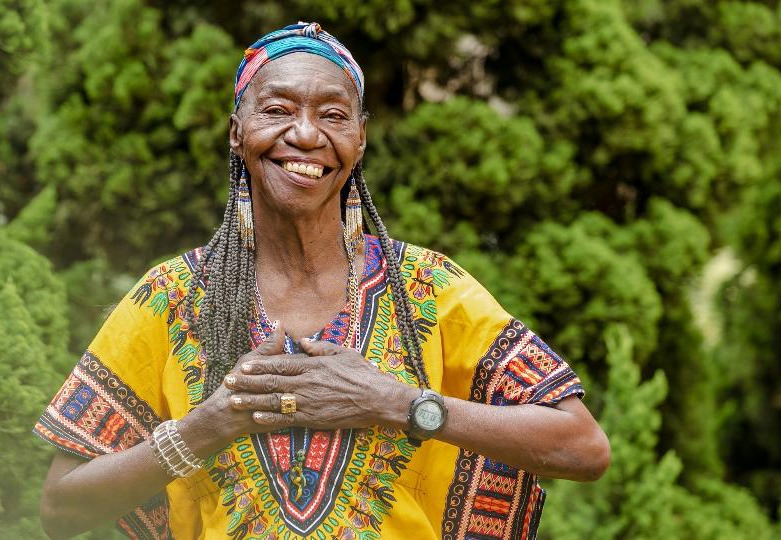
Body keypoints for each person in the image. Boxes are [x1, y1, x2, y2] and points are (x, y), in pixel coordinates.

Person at [34, 22, 610, 540]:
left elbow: (582, 446)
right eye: (278, 109)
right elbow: (61, 508)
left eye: (333, 115)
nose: (306, 135)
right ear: (237, 132)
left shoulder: (427, 291)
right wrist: (208, 427)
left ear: (359, 141)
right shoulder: (174, 298)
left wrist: (398, 404)